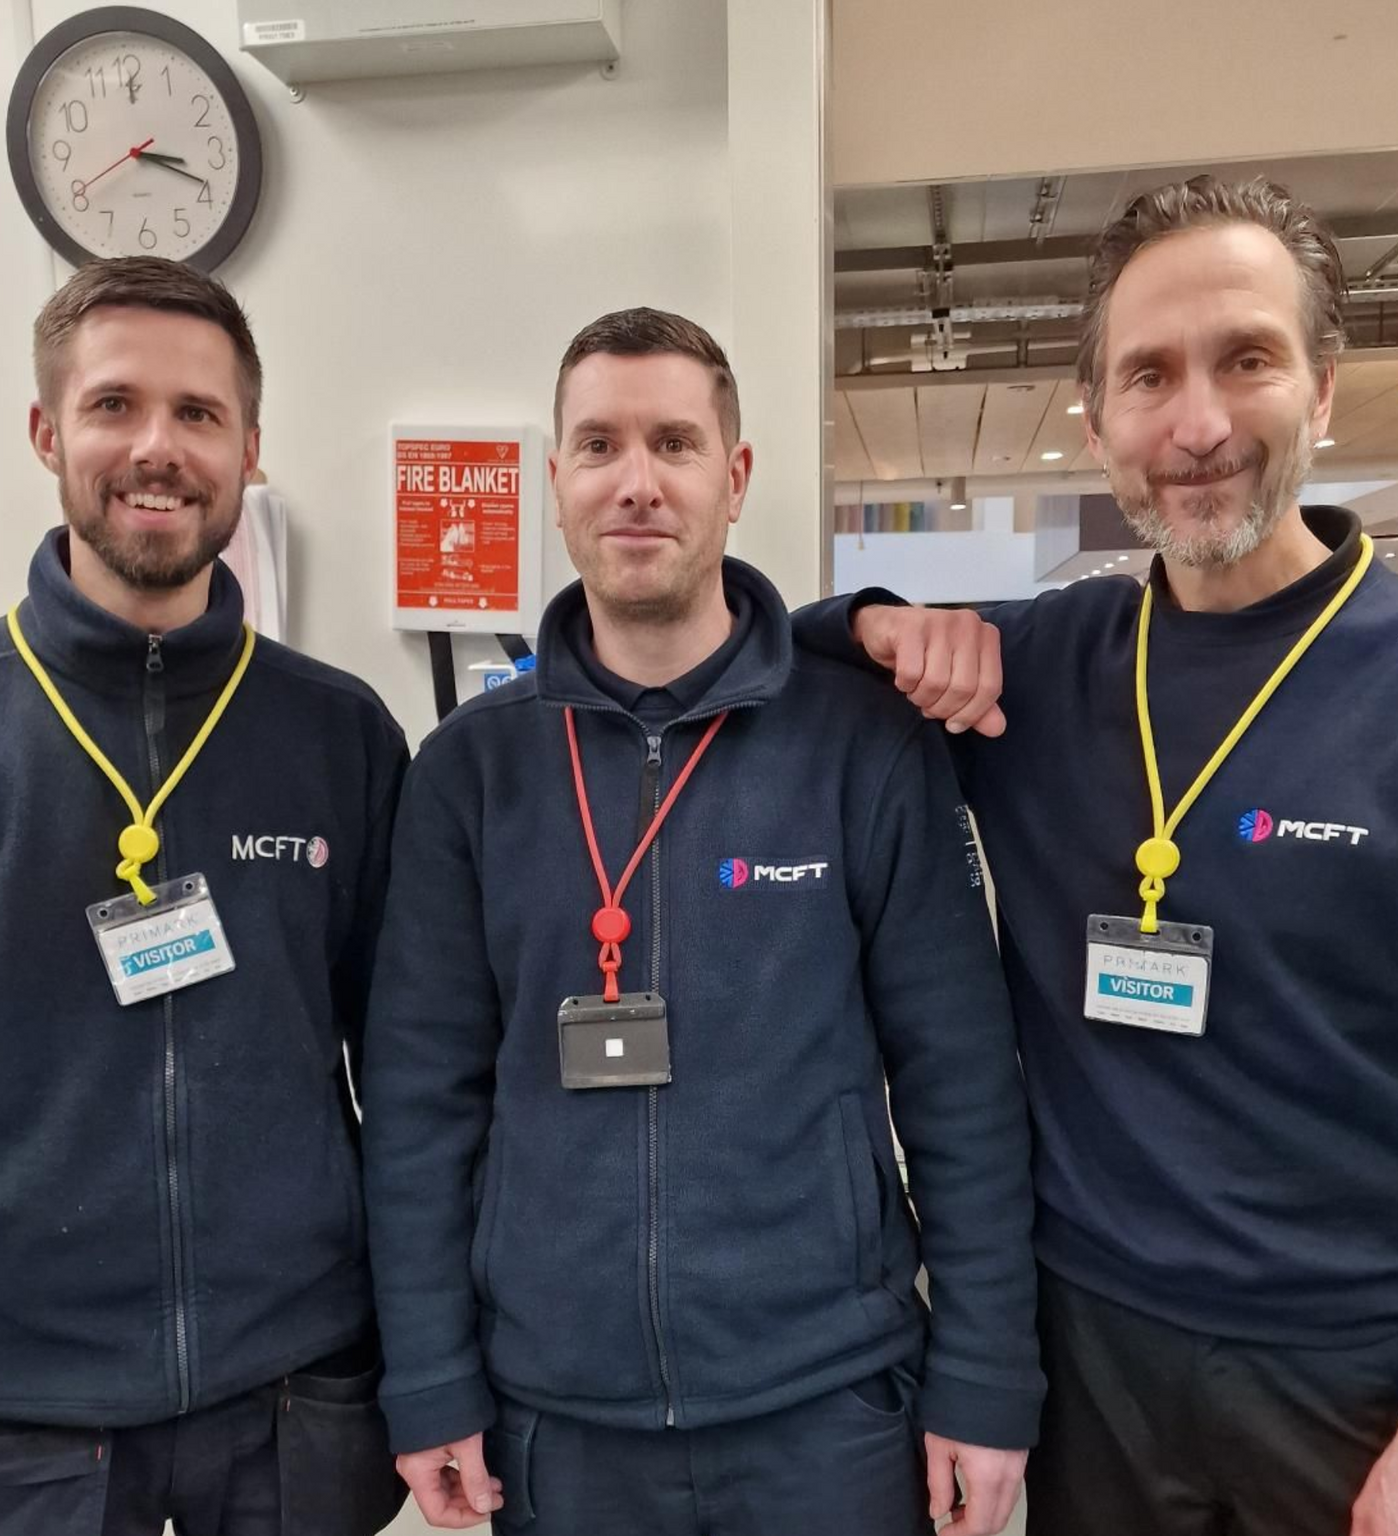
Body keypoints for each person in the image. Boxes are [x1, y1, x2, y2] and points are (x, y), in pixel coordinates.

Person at [800, 175, 1398, 1536]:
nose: (1197, 425)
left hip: (1366, 1376)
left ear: (1323, 388)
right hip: (1094, 1363)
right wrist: (878, 618)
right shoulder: (1050, 667)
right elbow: (784, 650)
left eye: (1247, 360)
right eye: (1149, 376)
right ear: (1097, 421)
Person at [0, 257, 409, 1536]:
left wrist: (428, 1353)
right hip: (14, 1430)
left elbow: (415, 1078)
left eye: (199, 413)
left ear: (250, 448)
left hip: (295, 1405)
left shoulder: (340, 736)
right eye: (114, 405)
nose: (158, 447)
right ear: (47, 433)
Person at [361, 308, 1042, 1536]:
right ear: (556, 483)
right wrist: (427, 1378)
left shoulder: (864, 745)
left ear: (735, 478)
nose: (637, 482)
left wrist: (988, 1378)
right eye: (599, 446)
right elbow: (420, 1102)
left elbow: (962, 1082)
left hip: (827, 1406)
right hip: (558, 1421)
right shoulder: (468, 770)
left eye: (674, 443)